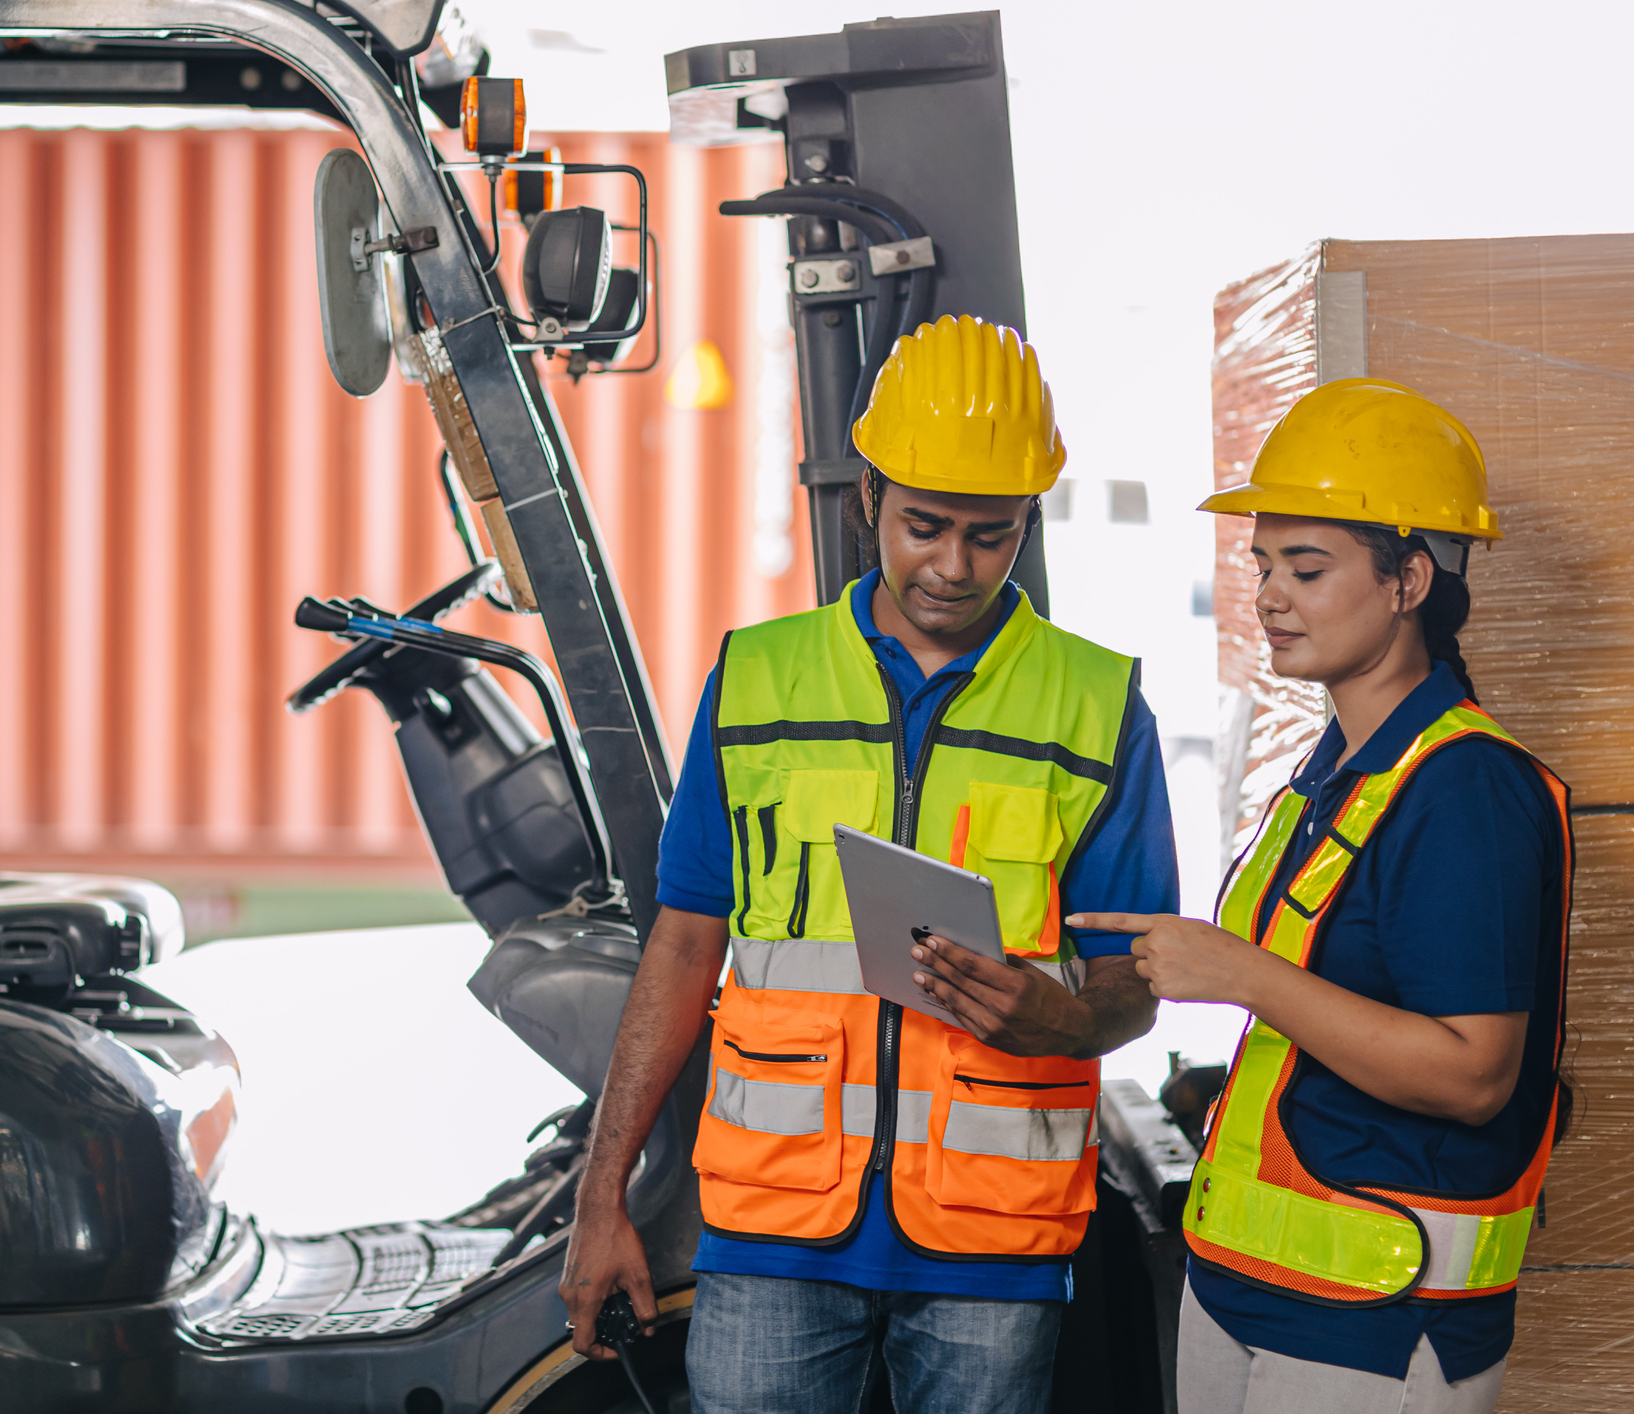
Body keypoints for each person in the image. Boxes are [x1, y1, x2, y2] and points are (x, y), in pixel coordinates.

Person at [559, 314, 1178, 1414]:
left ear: (1028, 522)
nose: (952, 565)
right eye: (924, 525)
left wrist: (1068, 1017)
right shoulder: (758, 681)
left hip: (994, 1237)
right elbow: (687, 940)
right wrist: (600, 1198)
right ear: (866, 503)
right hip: (776, 1231)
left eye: (990, 536)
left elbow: (1135, 978)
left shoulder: (1097, 707)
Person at [1073, 378, 1571, 1412]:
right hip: (1253, 1281)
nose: (1267, 595)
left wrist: (1239, 973)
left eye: (1306, 567)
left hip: (1380, 1317)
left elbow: (1475, 1073)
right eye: (1262, 564)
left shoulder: (1466, 788)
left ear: (1409, 580)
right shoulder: (1339, 769)